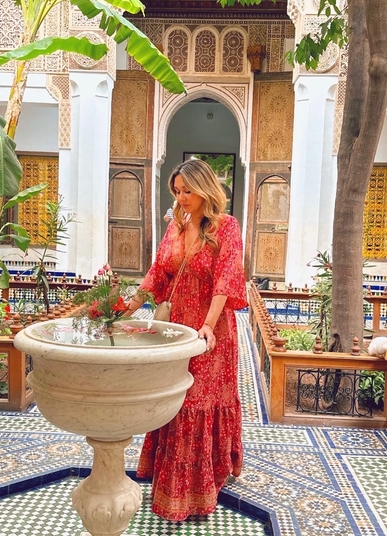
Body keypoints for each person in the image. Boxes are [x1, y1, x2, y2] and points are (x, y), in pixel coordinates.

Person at [125, 158, 247, 521]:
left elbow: (226, 279)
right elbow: (157, 274)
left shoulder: (226, 227)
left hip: (211, 334)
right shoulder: (176, 227)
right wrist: (124, 308)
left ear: (205, 188)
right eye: (177, 192)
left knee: (197, 402)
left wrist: (208, 325)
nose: (182, 198)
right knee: (175, 400)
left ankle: (200, 488)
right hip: (176, 330)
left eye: (187, 191)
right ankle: (172, 485)